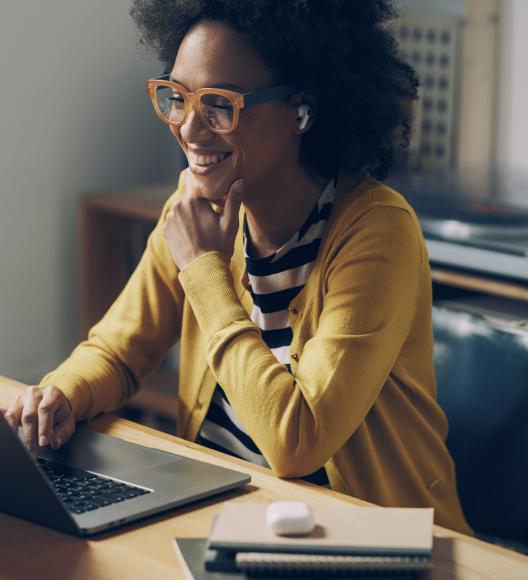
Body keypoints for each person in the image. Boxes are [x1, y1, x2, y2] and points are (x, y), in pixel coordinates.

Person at [4, 0, 471, 533]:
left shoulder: (377, 232)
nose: (190, 131)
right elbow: (117, 351)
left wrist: (204, 272)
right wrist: (64, 393)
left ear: (301, 111)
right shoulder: (192, 207)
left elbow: (295, 441)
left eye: (220, 105)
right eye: (176, 98)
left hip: (371, 538)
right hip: (226, 518)